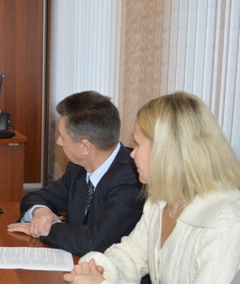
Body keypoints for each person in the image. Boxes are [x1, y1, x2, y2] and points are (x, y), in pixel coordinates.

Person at [63, 92, 240, 284]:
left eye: (138, 144)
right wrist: (96, 269)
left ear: (166, 152)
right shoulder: (162, 199)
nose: (131, 155)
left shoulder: (226, 225)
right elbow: (131, 255)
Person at [8, 91, 145, 254]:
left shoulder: (132, 178)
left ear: (85, 146)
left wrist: (47, 228)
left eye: (62, 137)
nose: (58, 142)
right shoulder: (78, 168)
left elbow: (94, 241)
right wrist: (41, 212)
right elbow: (35, 197)